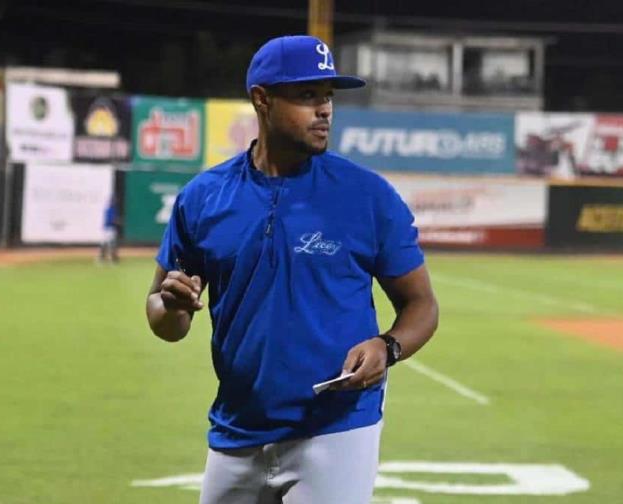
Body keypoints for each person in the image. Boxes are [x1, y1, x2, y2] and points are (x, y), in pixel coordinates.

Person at [144, 35, 439, 504]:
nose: (324, 110)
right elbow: (164, 318)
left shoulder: (368, 196)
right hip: (236, 430)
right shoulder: (203, 198)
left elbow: (421, 305)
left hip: (336, 429)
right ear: (262, 100)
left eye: (328, 96)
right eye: (307, 96)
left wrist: (388, 346)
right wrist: (172, 305)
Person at [97, 195, 120, 264]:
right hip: (108, 229)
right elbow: (110, 220)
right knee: (107, 244)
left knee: (110, 244)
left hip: (110, 229)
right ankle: (104, 258)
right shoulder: (110, 210)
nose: (114, 202)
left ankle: (112, 258)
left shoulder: (112, 209)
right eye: (113, 201)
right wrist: (117, 221)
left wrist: (116, 221)